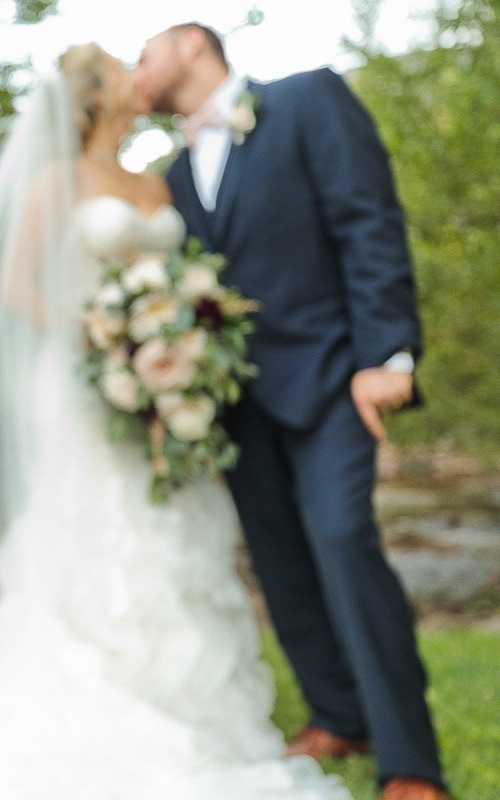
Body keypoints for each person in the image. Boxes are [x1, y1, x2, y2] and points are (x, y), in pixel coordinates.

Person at [0, 43, 350, 799]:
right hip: (83, 382)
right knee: (97, 533)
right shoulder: (55, 180)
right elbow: (20, 291)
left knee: (181, 534)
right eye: (122, 70)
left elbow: (185, 281)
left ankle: (202, 718)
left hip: (170, 391)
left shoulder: (154, 180)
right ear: (94, 94)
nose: (135, 79)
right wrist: (109, 339)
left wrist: (179, 343)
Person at [135, 23, 445, 800]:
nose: (138, 75)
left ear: (192, 44)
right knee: (277, 563)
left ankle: (410, 762)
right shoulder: (170, 176)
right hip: (233, 406)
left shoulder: (308, 99)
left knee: (344, 541)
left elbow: (368, 222)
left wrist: (388, 357)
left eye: (145, 55)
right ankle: (338, 715)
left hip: (336, 377)